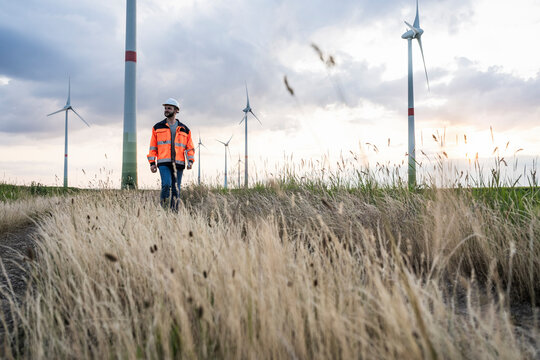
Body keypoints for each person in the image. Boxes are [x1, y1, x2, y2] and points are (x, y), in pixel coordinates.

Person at [147, 98, 195, 210]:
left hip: (179, 163)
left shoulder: (185, 129)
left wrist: (191, 161)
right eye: (165, 108)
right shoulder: (157, 127)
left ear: (176, 110)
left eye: (169, 108)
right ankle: (162, 209)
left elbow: (190, 148)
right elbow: (153, 147)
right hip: (163, 162)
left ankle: (174, 213)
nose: (166, 110)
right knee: (166, 185)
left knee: (176, 189)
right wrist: (152, 163)